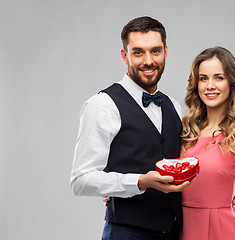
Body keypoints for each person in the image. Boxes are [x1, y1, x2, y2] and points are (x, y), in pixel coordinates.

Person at [70, 16, 191, 240]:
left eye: (155, 51)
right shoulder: (102, 104)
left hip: (174, 232)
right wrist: (138, 182)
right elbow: (81, 180)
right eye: (138, 52)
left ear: (165, 51)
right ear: (125, 55)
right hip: (126, 233)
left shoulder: (173, 106)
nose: (148, 60)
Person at [180, 46, 235, 240]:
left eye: (219, 77)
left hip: (222, 231)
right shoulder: (185, 131)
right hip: (181, 228)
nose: (210, 86)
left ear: (231, 83)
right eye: (203, 78)